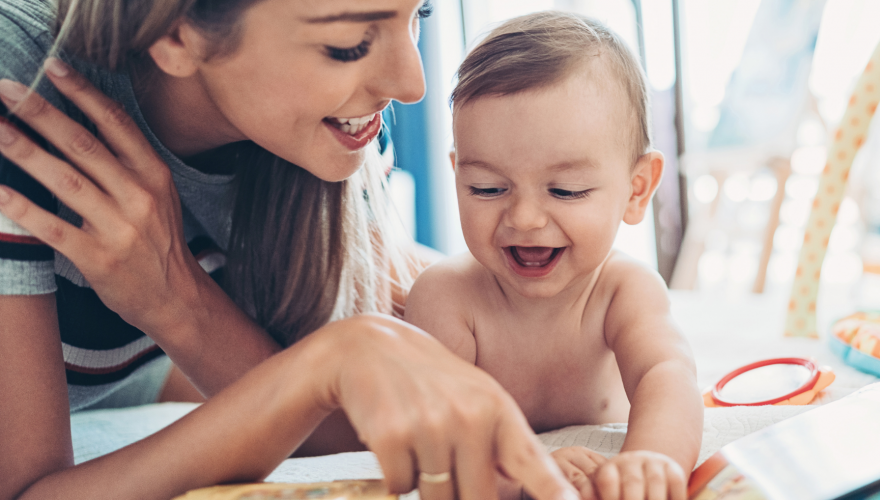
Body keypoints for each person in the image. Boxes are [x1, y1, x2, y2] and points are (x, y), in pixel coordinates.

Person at [0, 1, 579, 499]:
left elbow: (359, 410)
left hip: (138, 374)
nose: (412, 83)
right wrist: (329, 359)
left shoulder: (323, 126)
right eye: (349, 44)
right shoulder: (18, 98)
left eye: (418, 13)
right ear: (175, 34)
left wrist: (178, 302)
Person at [404, 12, 703, 500]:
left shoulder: (624, 291)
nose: (523, 218)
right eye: (487, 187)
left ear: (636, 189)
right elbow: (434, 444)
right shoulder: (447, 299)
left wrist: (649, 462)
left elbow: (667, 377)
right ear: (458, 175)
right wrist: (521, 473)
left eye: (565, 191)